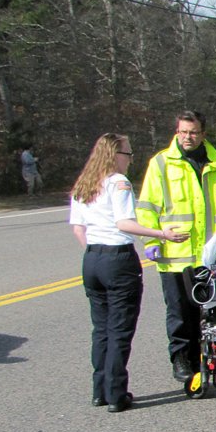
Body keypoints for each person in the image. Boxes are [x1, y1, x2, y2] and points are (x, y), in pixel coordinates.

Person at [69, 134, 189, 412]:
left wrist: (96, 252)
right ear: (115, 155)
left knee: (101, 329)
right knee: (120, 330)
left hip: (93, 259)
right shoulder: (118, 183)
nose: (130, 159)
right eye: (128, 153)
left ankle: (100, 390)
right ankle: (117, 393)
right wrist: (162, 234)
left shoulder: (84, 184)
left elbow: (78, 227)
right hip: (118, 259)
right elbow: (124, 223)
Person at [136, 111, 216, 381]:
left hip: (210, 257)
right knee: (180, 313)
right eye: (182, 132)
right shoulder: (161, 164)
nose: (187, 137)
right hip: (175, 255)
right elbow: (147, 207)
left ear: (203, 134)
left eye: (193, 132)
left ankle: (212, 356)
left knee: (213, 311)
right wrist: (151, 240)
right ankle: (182, 360)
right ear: (176, 132)